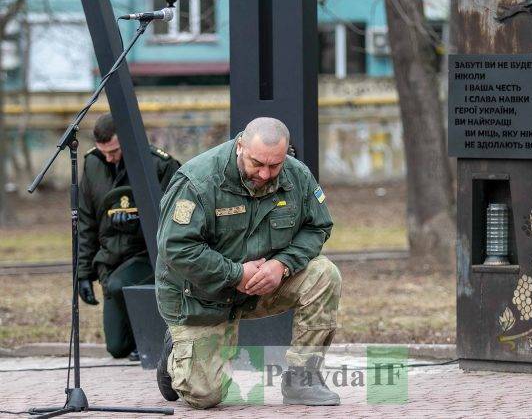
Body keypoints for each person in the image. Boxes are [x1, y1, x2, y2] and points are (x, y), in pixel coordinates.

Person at [155, 117, 342, 408]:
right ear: (240, 145)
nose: (266, 174)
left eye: (275, 165)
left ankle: (302, 379)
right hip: (203, 296)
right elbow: (176, 247)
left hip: (260, 286)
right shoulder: (198, 180)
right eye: (258, 163)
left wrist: (282, 265)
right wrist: (234, 273)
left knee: (324, 274)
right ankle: (175, 355)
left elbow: (317, 226)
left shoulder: (297, 176)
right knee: (205, 396)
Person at [77, 113, 180, 360]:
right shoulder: (93, 163)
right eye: (104, 153)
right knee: (117, 347)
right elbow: (86, 223)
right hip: (111, 262)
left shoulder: (158, 165)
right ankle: (138, 338)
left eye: (114, 151)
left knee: (119, 284)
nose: (109, 158)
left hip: (146, 256)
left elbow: (179, 216)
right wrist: (82, 274)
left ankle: (156, 339)